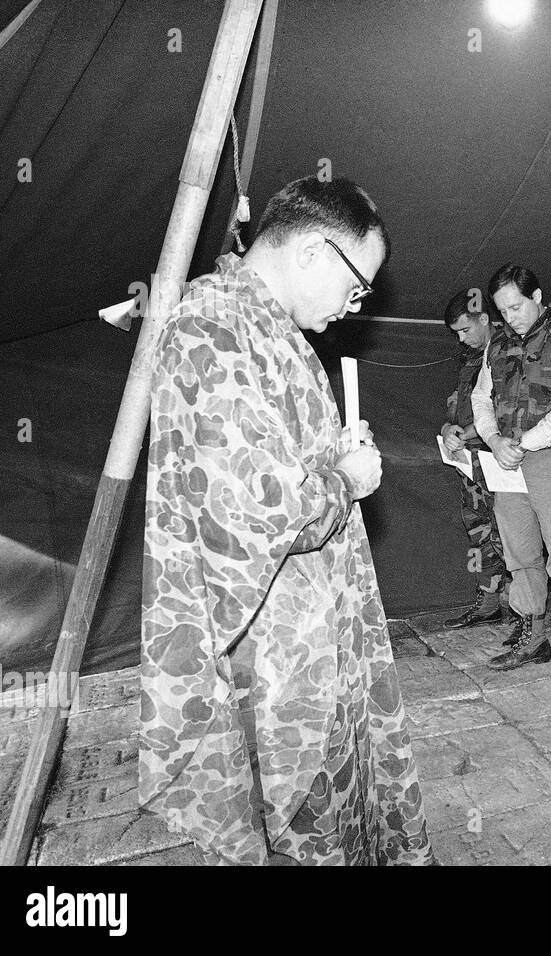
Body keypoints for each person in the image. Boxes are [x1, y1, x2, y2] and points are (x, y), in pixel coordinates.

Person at [139, 176, 435, 865]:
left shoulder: (274, 330)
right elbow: (256, 512)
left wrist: (333, 453)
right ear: (311, 253)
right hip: (275, 662)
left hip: (312, 637)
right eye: (357, 287)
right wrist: (349, 479)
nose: (354, 306)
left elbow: (276, 459)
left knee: (334, 811)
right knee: (300, 826)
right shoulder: (213, 331)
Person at [472, 263, 551, 683]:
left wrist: (526, 443)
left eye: (517, 307)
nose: (510, 317)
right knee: (519, 554)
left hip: (549, 458)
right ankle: (533, 637)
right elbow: (480, 397)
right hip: (506, 461)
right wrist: (494, 440)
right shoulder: (496, 344)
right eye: (502, 310)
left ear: (537, 298)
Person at [439, 290, 510, 629]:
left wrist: (465, 433)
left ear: (484, 319)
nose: (461, 338)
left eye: (465, 330)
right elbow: (456, 406)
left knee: (506, 532)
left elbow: (506, 414)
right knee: (477, 530)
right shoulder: (468, 362)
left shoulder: (509, 353)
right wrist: (449, 426)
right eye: (456, 333)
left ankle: (520, 605)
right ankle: (486, 598)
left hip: (498, 463)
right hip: (469, 464)